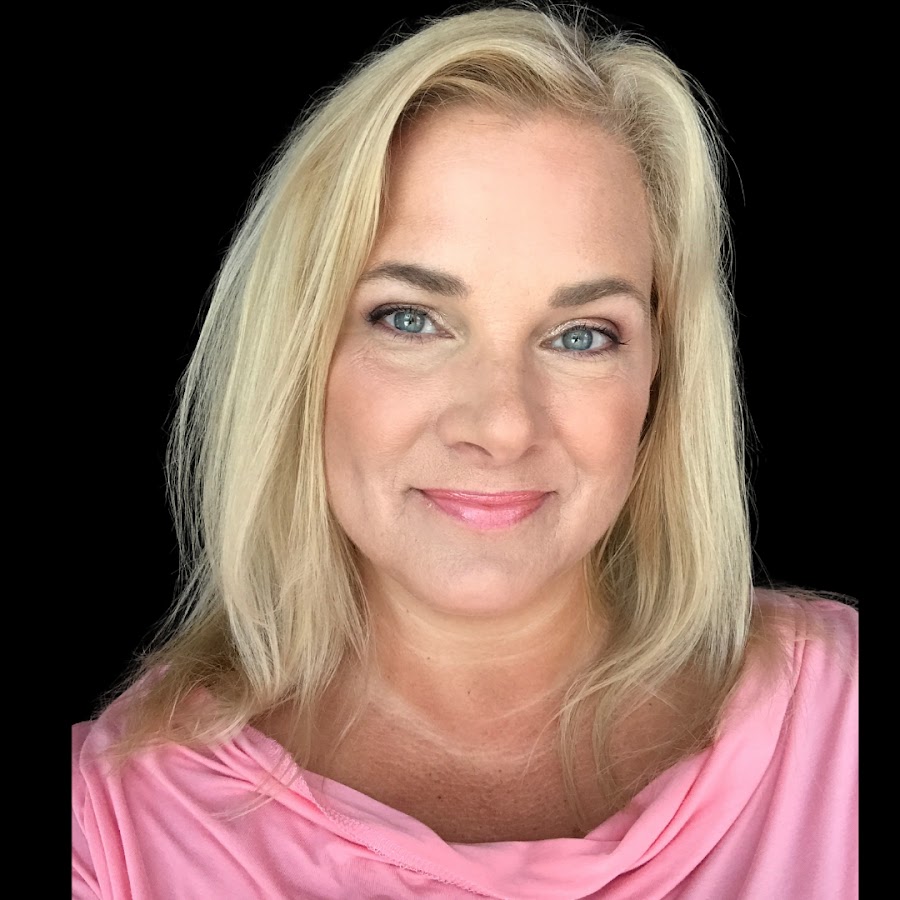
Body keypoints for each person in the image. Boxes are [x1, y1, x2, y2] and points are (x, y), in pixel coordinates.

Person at [72, 4, 858, 898]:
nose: (502, 424)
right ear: (299, 353)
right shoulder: (112, 834)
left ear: (661, 378)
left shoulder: (843, 722)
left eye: (582, 335)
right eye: (412, 319)